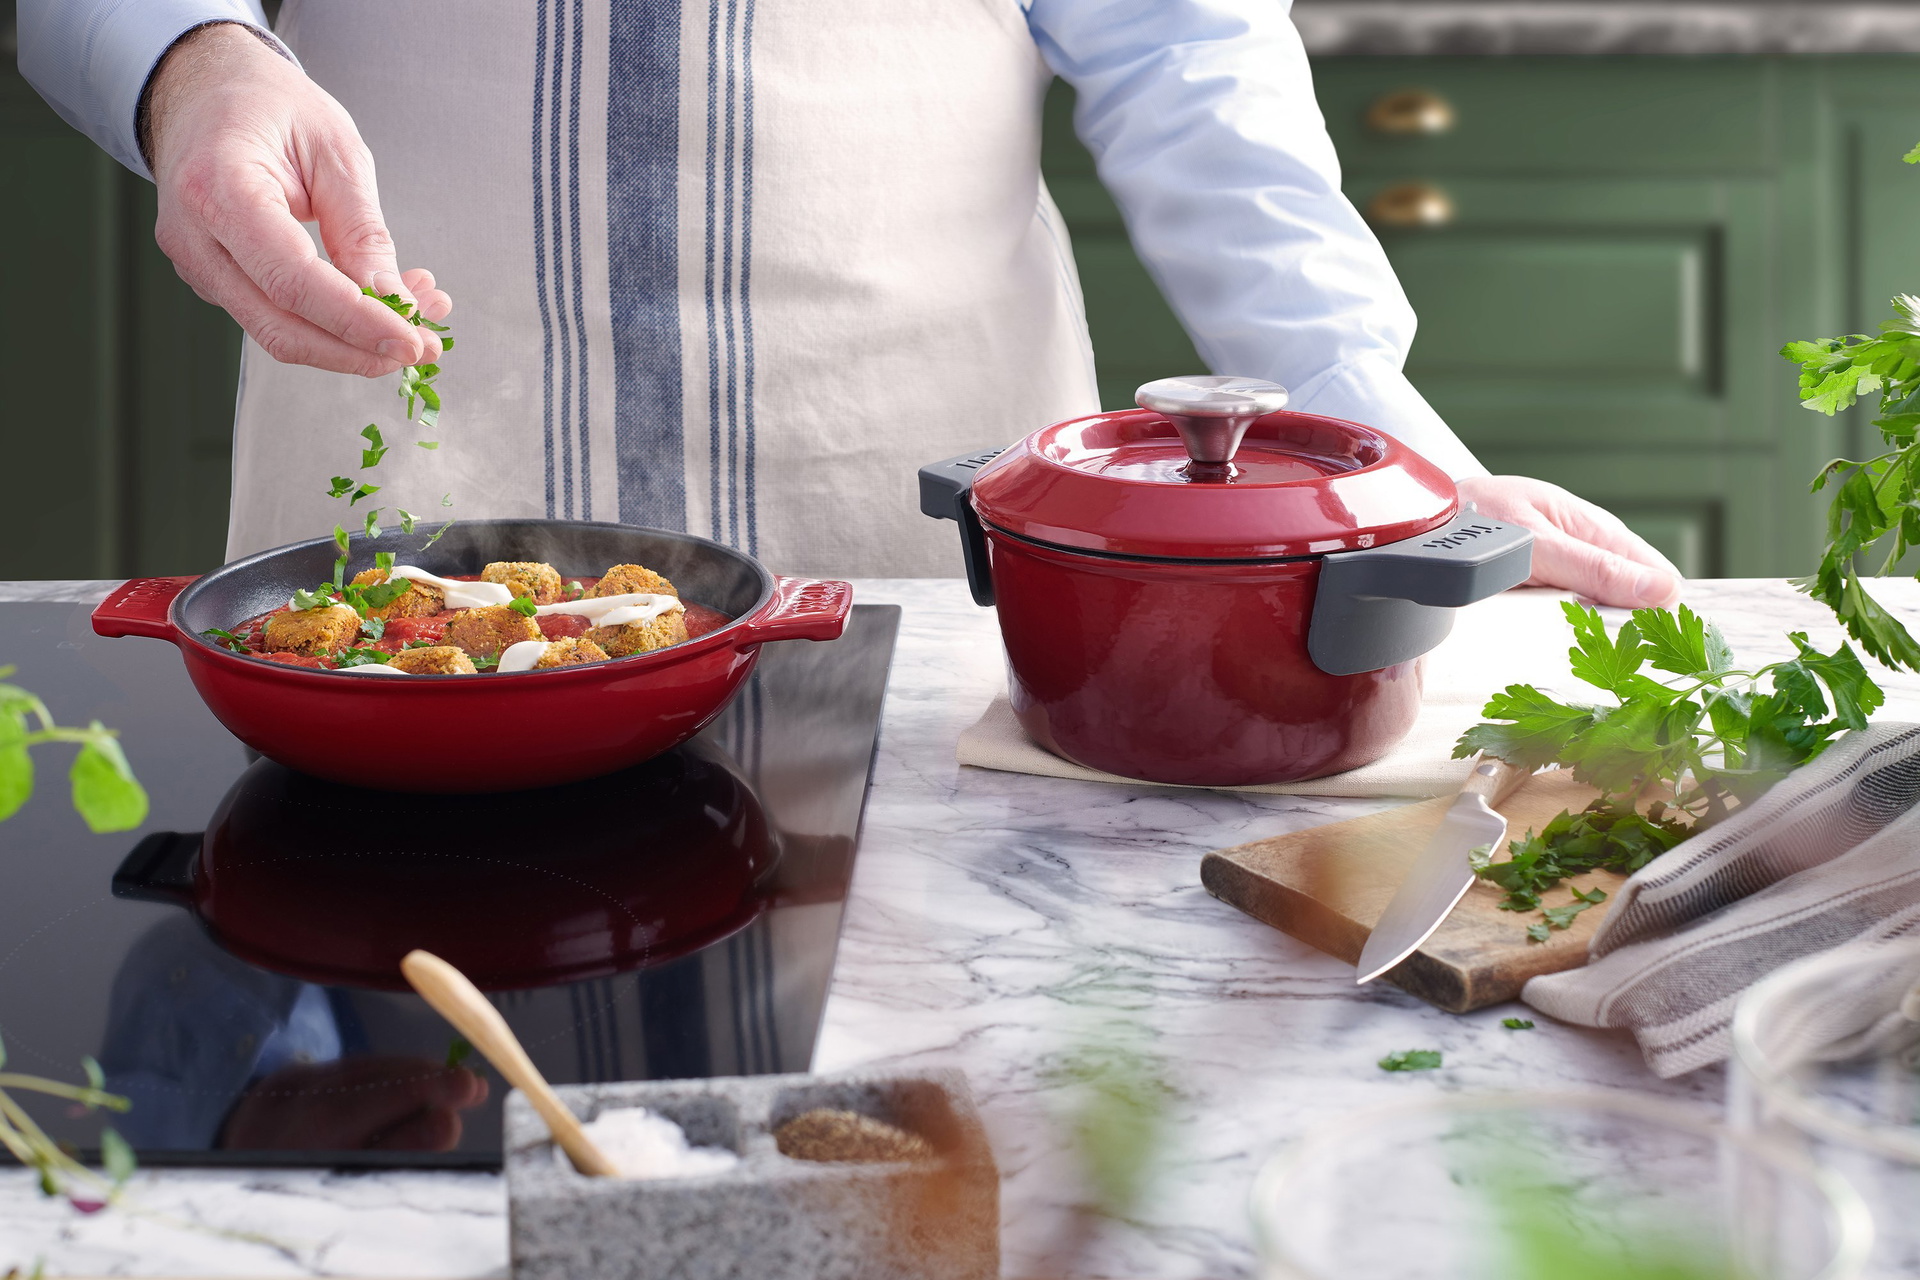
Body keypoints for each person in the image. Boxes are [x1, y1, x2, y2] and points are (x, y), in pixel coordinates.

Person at [19, 0, 1682, 606]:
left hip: (914, 498)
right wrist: (187, 57)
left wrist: (1380, 450)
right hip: (426, 449)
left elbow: (1186, 50)